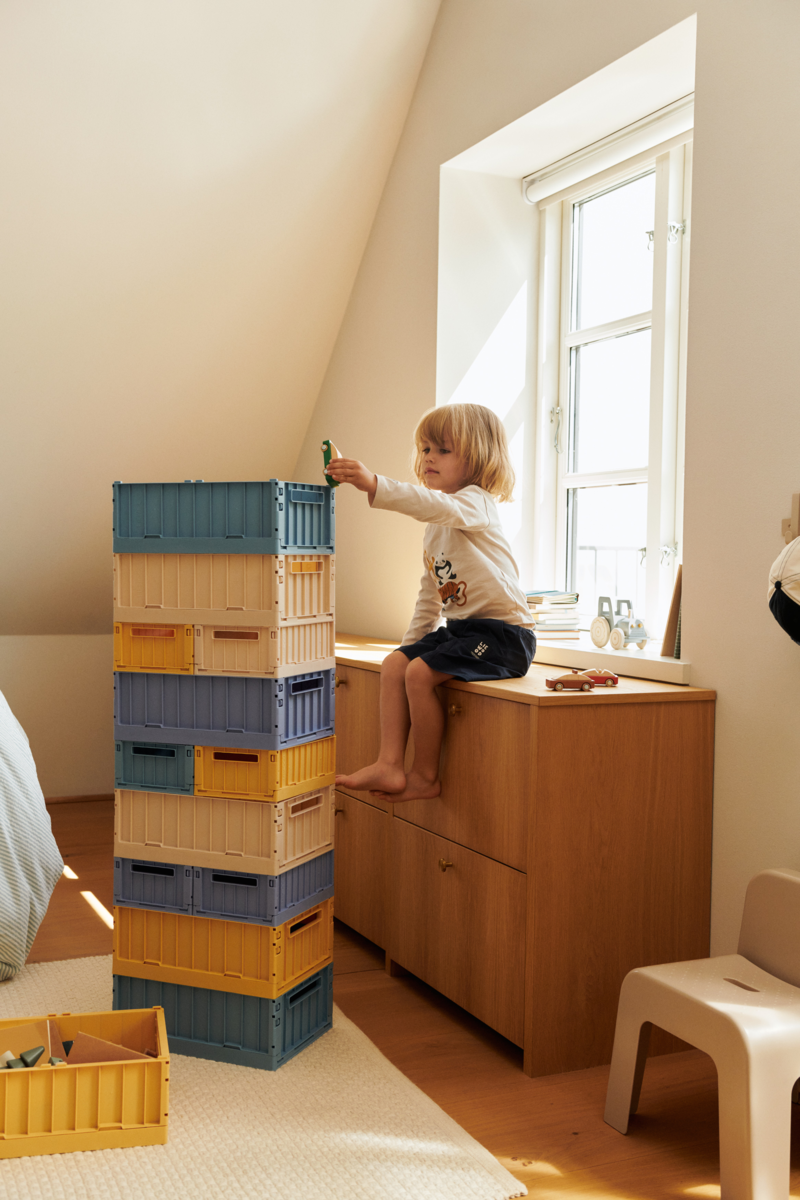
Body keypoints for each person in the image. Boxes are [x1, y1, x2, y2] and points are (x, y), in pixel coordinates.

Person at [327, 403, 536, 804]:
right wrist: (408, 648)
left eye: (442, 449)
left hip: (505, 636)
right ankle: (389, 763)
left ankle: (424, 775)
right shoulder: (436, 528)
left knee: (420, 674)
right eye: (424, 449)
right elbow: (430, 595)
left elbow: (436, 504)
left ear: (476, 458)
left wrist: (375, 484)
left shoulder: (476, 503)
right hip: (462, 631)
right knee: (396, 665)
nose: (428, 458)